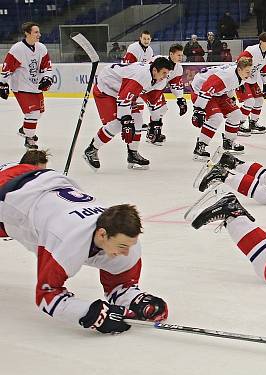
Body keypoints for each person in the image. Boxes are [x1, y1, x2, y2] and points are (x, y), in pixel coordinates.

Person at [0, 164, 168, 334]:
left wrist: (135, 300)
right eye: (122, 246)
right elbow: (47, 296)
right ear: (102, 235)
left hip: (44, 182)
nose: (126, 252)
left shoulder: (124, 241)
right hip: (8, 189)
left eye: (129, 245)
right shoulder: (66, 241)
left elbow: (120, 285)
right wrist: (91, 313)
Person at [83, 58, 175, 171]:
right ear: (155, 70)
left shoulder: (160, 80)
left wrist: (156, 122)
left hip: (122, 90)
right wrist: (126, 121)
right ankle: (91, 150)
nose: (165, 76)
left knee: (137, 121)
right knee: (118, 124)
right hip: (107, 88)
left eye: (167, 73)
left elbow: (153, 103)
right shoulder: (141, 77)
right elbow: (123, 99)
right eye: (164, 73)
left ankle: (132, 154)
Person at [0, 22, 54, 150]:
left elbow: (47, 66)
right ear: (27, 33)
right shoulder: (17, 49)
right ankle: (29, 139)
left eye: (39, 32)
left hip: (36, 87)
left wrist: (47, 77)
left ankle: (25, 129)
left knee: (39, 113)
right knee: (33, 114)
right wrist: (2, 83)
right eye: (36, 32)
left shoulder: (41, 48)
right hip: (22, 87)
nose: (39, 35)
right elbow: (7, 67)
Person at [190, 57, 253, 160]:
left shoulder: (240, 73)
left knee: (236, 114)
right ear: (239, 70)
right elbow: (207, 87)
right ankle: (200, 147)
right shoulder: (227, 76)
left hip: (218, 92)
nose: (249, 74)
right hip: (200, 91)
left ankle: (229, 142)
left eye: (250, 71)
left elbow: (229, 86)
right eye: (247, 72)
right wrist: (198, 110)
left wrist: (232, 96)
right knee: (216, 118)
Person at [139, 44, 188, 146]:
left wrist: (180, 99)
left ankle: (151, 132)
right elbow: (146, 72)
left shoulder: (178, 68)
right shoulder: (158, 60)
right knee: (156, 110)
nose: (181, 58)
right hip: (145, 88)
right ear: (171, 54)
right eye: (178, 55)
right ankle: (154, 134)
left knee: (163, 109)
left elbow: (175, 85)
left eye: (181, 55)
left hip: (157, 90)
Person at [236, 32, 266, 136]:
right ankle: (237, 124)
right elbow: (238, 64)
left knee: (259, 100)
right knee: (249, 102)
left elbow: (265, 70)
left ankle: (253, 123)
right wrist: (239, 82)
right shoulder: (251, 50)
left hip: (252, 80)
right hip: (242, 79)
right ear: (261, 42)